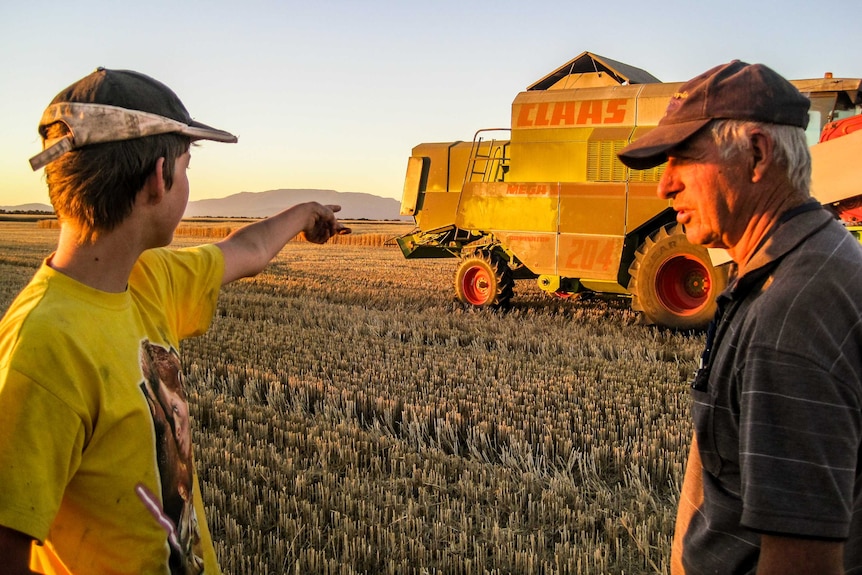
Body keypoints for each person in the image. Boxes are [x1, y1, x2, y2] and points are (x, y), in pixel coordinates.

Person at [0, 67, 349, 574]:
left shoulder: (148, 279)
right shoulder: (42, 347)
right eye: (186, 169)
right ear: (159, 180)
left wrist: (302, 215)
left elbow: (246, 249)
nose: (185, 183)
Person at [617, 60, 862, 573]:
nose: (664, 187)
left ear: (756, 153)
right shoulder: (810, 265)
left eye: (682, 159)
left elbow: (801, 562)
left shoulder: (792, 311)